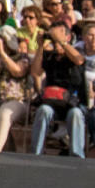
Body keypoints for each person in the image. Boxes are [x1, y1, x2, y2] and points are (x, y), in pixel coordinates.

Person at [29, 21, 87, 158]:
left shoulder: (75, 52)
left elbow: (79, 60)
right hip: (52, 102)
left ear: (68, 36)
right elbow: (35, 72)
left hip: (72, 102)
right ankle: (36, 153)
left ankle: (77, 155)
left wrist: (62, 42)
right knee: (43, 110)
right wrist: (40, 47)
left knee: (76, 114)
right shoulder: (50, 56)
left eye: (59, 33)